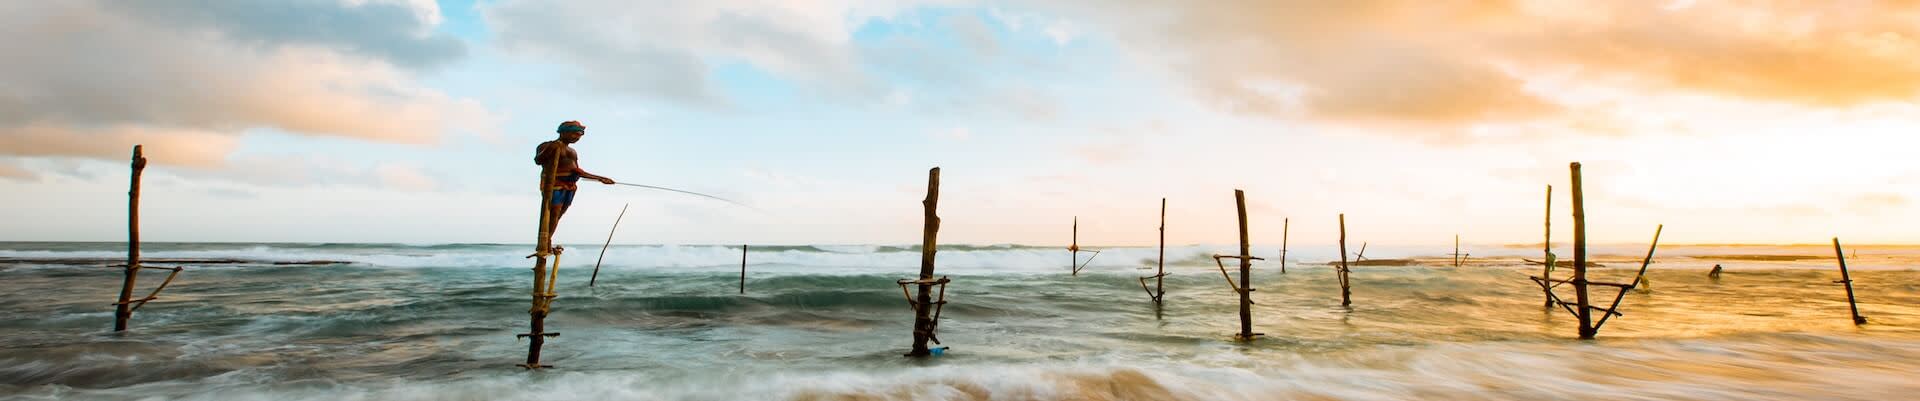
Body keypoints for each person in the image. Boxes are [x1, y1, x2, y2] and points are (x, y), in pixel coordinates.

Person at [535, 120, 615, 237]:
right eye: (574, 134)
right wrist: (551, 148)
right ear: (563, 132)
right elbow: (538, 160)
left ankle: (548, 238)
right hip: (555, 184)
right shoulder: (547, 145)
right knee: (552, 212)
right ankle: (544, 240)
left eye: (579, 135)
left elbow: (577, 170)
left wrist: (601, 178)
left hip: (570, 186)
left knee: (559, 214)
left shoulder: (572, 152)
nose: (577, 137)